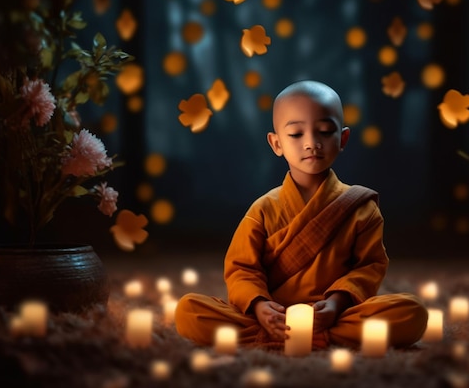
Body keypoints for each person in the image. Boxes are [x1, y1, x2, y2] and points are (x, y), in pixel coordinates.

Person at [175, 80, 428, 349]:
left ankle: (295, 337)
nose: (311, 143)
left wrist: (334, 304)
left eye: (324, 131)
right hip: (272, 316)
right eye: (296, 134)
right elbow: (241, 269)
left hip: (335, 315)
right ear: (276, 144)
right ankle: (285, 333)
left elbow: (369, 268)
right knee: (189, 310)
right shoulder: (262, 209)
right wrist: (260, 307)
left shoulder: (361, 208)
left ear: (343, 139)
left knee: (410, 311)